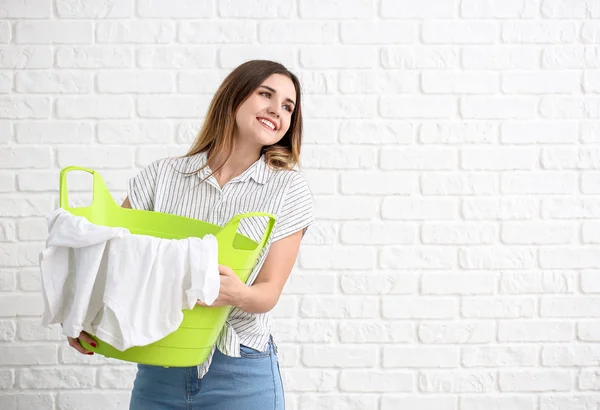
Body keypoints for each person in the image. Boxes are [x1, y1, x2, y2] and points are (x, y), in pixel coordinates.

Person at [67, 60, 314, 410]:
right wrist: (83, 313)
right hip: (159, 368)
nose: (278, 110)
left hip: (241, 373)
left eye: (288, 107)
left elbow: (268, 291)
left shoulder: (288, 189)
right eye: (266, 95)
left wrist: (237, 293)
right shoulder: (161, 176)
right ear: (234, 97)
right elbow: (110, 256)